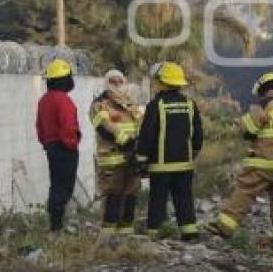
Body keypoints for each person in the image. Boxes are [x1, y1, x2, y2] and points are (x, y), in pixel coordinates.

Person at [206, 72, 273, 242]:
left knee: (245, 191)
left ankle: (225, 226)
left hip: (262, 162)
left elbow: (248, 131)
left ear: (266, 90)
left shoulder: (263, 105)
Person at [136, 62, 203, 241]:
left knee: (158, 199)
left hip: (160, 166)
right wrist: (194, 152)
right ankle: (189, 232)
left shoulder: (155, 105)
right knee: (184, 198)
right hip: (185, 164)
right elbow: (198, 134)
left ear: (162, 82)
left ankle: (154, 233)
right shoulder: (190, 104)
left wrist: (141, 159)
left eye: (155, 80)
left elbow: (146, 135)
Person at [89, 69, 143, 234]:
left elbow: (140, 125)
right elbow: (103, 129)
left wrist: (139, 146)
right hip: (111, 158)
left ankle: (126, 234)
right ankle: (107, 236)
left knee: (130, 194)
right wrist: (126, 142)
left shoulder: (130, 103)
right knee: (113, 195)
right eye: (113, 82)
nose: (117, 85)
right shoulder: (99, 104)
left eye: (120, 81)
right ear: (106, 83)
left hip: (130, 157)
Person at [36, 59, 81, 232]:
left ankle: (55, 222)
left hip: (52, 147)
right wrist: (71, 144)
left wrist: (46, 143)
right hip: (64, 148)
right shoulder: (63, 100)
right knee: (64, 185)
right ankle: (57, 225)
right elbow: (68, 126)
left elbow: (39, 126)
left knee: (56, 183)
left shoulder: (44, 100)